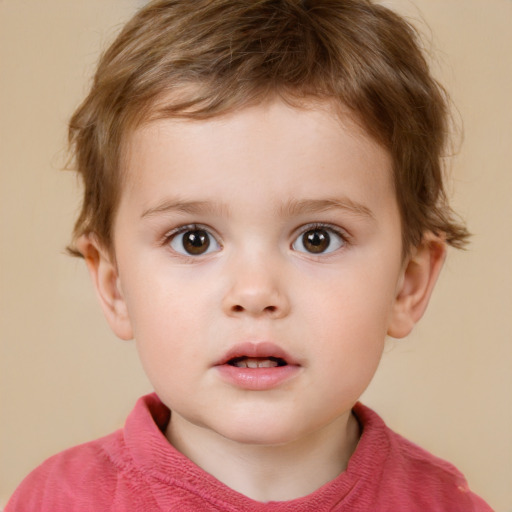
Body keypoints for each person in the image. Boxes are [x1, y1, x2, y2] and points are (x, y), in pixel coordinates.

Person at [5, 0, 493, 510]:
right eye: (194, 239)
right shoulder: (56, 501)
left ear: (407, 283)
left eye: (317, 238)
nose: (255, 293)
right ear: (114, 284)